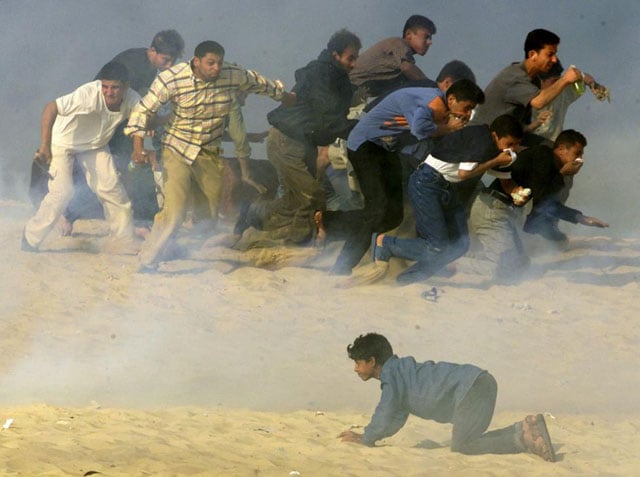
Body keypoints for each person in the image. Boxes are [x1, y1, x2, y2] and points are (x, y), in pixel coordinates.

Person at [125, 40, 295, 272]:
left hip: (208, 152)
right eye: (210, 63)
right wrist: (138, 146)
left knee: (209, 217)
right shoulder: (172, 78)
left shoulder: (232, 74)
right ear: (196, 62)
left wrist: (283, 97)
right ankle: (148, 259)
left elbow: (257, 82)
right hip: (176, 149)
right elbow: (143, 111)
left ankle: (170, 243)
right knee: (175, 212)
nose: (216, 68)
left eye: (219, 63)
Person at [326, 79, 484, 276]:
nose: (468, 114)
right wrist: (448, 128)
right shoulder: (432, 103)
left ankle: (327, 224)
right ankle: (342, 264)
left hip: (385, 150)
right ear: (451, 99)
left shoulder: (440, 106)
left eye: (472, 110)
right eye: (467, 107)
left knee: (393, 216)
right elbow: (419, 129)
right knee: (377, 209)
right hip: (365, 145)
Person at [339, 333, 556, 461]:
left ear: (372, 361)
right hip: (477, 383)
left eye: (358, 363)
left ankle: (523, 439)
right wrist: (371, 436)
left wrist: (367, 437)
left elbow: (385, 409)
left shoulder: (392, 375)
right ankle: (524, 429)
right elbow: (395, 417)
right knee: (468, 438)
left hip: (472, 389)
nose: (355, 369)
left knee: (463, 445)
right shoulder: (400, 373)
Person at [234, 29, 361, 246]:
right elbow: (327, 113)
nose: (354, 64)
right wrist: (356, 124)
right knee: (312, 195)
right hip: (286, 140)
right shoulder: (322, 75)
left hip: (303, 142)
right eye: (351, 58)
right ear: (335, 55)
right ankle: (295, 240)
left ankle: (253, 214)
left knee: (295, 200)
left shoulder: (336, 78)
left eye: (356, 58)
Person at [371, 114, 524, 284]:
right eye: (509, 144)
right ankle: (386, 244)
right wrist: (496, 160)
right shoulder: (483, 141)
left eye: (516, 145)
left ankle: (409, 279)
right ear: (495, 135)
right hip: (427, 182)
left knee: (459, 246)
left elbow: (506, 181)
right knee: (437, 246)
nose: (512, 149)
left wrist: (517, 193)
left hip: (445, 188)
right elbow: (464, 173)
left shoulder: (496, 148)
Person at [60, 30, 186, 235]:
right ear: (152, 51)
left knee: (139, 164)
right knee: (94, 172)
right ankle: (69, 215)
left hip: (124, 124)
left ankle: (143, 221)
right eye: (166, 60)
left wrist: (146, 122)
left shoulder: (152, 67)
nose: (169, 65)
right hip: (102, 123)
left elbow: (141, 104)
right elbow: (109, 98)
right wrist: (142, 124)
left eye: (172, 61)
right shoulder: (132, 64)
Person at [22, 62, 140, 253]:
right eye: (105, 87)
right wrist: (45, 145)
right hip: (63, 142)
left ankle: (124, 240)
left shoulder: (133, 99)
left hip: (95, 145)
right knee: (62, 192)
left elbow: (143, 119)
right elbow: (51, 107)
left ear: (125, 86)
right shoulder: (87, 94)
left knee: (111, 187)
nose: (109, 93)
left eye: (115, 88)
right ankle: (30, 238)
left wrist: (161, 121)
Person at [461, 129, 608, 280]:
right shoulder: (543, 155)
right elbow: (540, 195)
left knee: (521, 265)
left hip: (504, 214)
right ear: (561, 149)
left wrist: (579, 217)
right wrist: (562, 174)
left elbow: (546, 203)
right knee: (501, 269)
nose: (580, 159)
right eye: (577, 153)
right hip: (491, 211)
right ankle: (455, 265)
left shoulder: (551, 167)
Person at [472, 29, 582, 145]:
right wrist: (565, 79)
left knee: (554, 151)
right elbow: (539, 102)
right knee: (547, 155)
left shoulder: (533, 80)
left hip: (508, 138)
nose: (554, 60)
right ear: (532, 55)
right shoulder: (515, 77)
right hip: (483, 140)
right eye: (550, 54)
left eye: (555, 54)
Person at [350, 15, 437, 101]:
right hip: (348, 86)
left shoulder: (400, 66)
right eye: (426, 37)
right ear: (408, 34)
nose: (429, 42)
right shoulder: (399, 44)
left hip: (355, 94)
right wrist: (435, 88)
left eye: (430, 38)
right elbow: (407, 68)